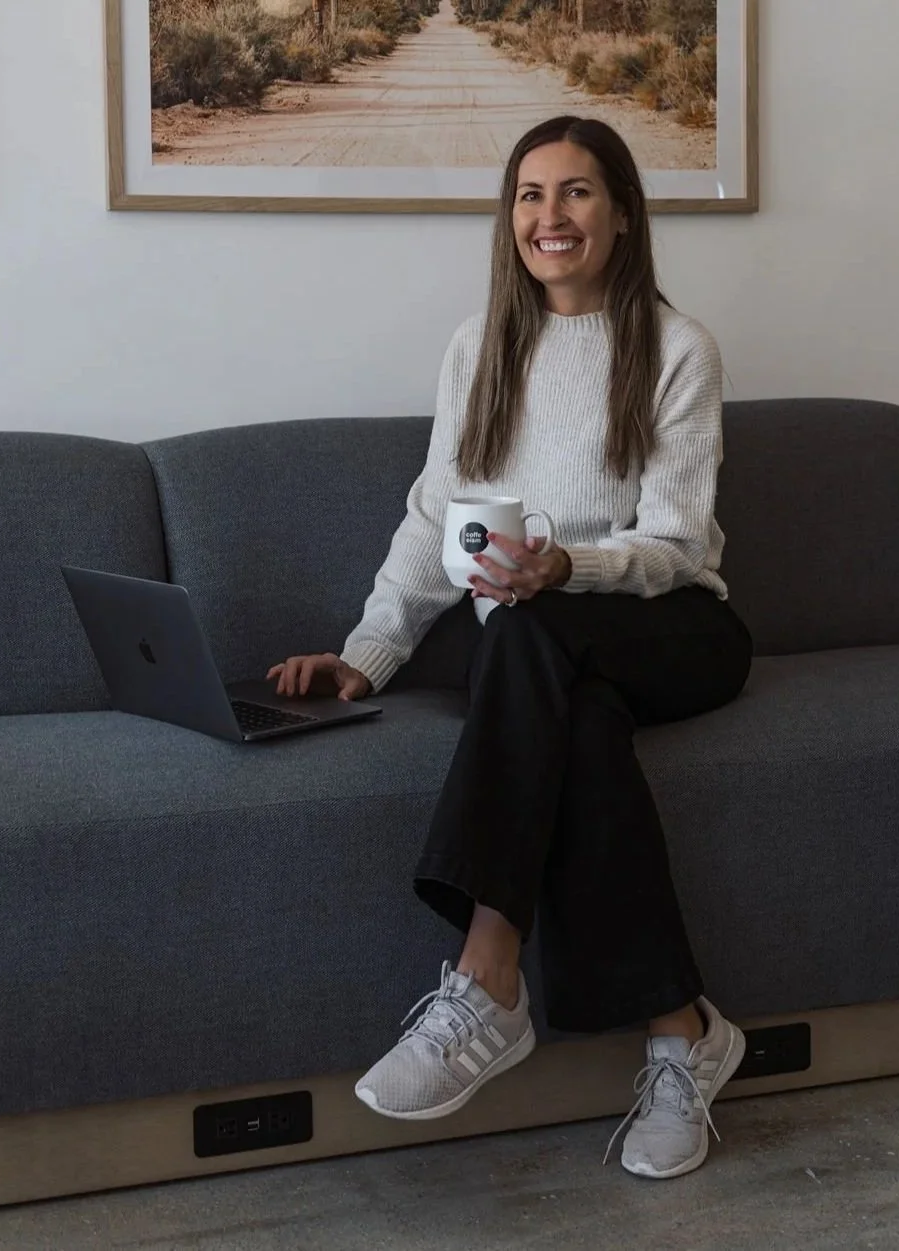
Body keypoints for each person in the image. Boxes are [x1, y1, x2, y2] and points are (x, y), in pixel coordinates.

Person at [267, 115, 754, 1180]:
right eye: (530, 196)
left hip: (675, 627)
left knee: (528, 635)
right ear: (510, 219)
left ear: (621, 214)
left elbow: (673, 543)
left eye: (576, 193)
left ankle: (487, 979)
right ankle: (682, 1036)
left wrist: (561, 568)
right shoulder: (479, 344)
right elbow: (433, 519)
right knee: (565, 711)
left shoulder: (678, 348)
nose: (551, 217)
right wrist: (368, 653)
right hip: (542, 649)